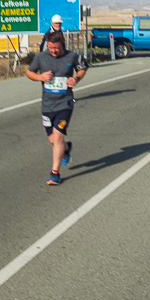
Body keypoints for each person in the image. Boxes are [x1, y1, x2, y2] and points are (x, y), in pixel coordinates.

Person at [26, 31, 87, 186]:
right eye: (51, 47)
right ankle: (66, 149)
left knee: (58, 136)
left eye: (56, 48)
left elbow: (82, 68)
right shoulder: (41, 57)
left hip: (65, 103)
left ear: (63, 45)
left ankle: (54, 173)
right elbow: (29, 72)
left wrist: (76, 78)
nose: (53, 50)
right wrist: (40, 77)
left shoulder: (71, 56)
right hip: (47, 105)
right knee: (53, 140)